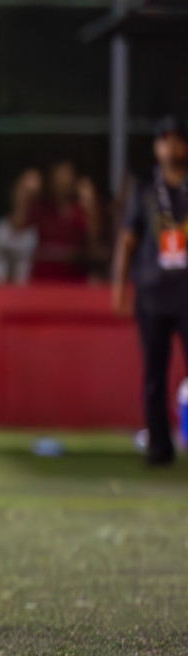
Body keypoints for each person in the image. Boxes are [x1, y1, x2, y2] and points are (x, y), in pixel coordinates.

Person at [111, 116, 188, 467]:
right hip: (152, 292)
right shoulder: (144, 189)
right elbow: (128, 240)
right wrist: (119, 287)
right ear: (156, 147)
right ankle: (159, 447)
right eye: (164, 141)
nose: (171, 148)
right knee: (154, 374)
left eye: (177, 140)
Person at [31, 160, 102, 282]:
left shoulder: (81, 211)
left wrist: (91, 206)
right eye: (59, 175)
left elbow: (94, 243)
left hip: (74, 281)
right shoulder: (41, 209)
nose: (63, 181)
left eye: (67, 175)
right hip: (43, 280)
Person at [0, 169, 41, 284]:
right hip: (1, 296)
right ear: (15, 191)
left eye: (33, 195)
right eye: (24, 191)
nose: (27, 199)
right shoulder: (0, 230)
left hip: (33, 297)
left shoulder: (40, 233)